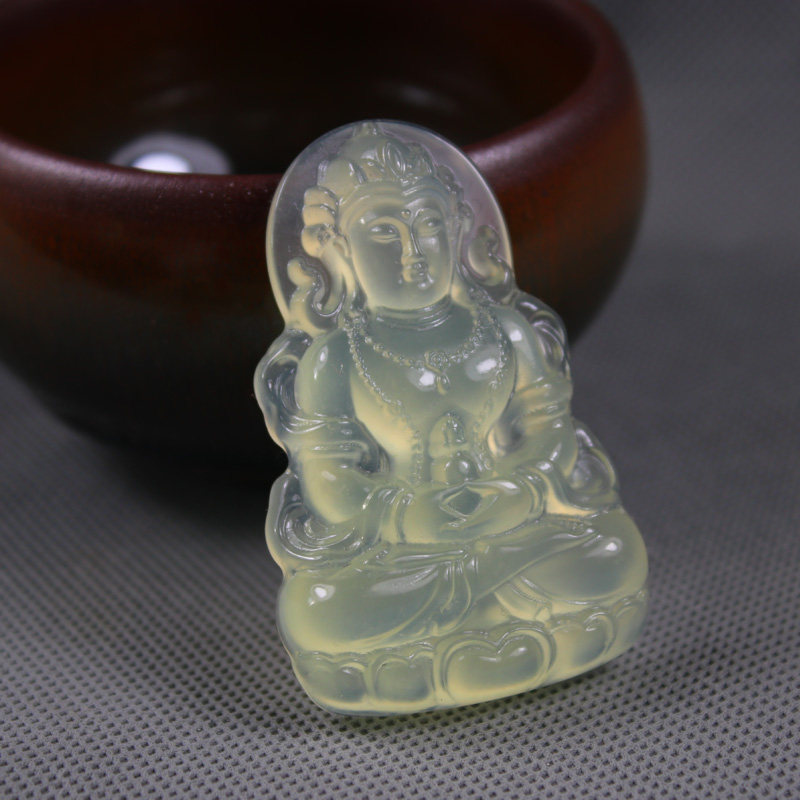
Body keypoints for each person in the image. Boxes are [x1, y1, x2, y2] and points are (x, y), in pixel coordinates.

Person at [256, 122, 647, 714]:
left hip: (513, 516)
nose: (414, 253)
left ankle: (435, 645)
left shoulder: (505, 331)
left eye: (429, 225)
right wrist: (407, 517)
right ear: (339, 249)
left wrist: (522, 492)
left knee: (613, 550)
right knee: (322, 607)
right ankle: (519, 615)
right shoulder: (335, 358)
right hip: (409, 548)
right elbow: (329, 483)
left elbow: (550, 433)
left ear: (459, 230)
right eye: (384, 232)